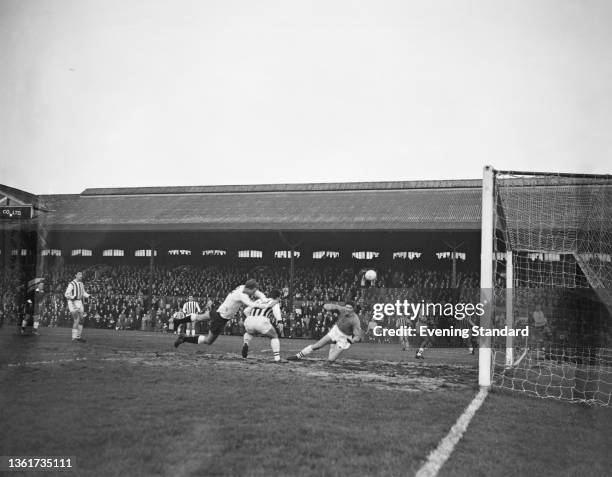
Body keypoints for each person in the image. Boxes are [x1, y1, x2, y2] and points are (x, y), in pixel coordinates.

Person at [173, 279, 275, 348]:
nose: (254, 293)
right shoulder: (242, 295)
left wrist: (264, 298)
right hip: (221, 318)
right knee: (209, 341)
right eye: (253, 291)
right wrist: (266, 305)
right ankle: (184, 338)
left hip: (219, 310)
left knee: (200, 317)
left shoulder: (242, 287)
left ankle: (178, 321)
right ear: (249, 288)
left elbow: (258, 293)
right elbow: (251, 304)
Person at [287, 302, 361, 363]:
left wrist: (352, 340)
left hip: (345, 338)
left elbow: (357, 336)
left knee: (331, 360)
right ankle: (297, 356)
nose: (347, 309)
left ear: (353, 309)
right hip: (336, 331)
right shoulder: (342, 309)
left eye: (350, 308)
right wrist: (327, 306)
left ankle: (333, 343)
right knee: (317, 345)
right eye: (346, 307)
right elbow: (334, 306)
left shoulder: (355, 320)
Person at [242, 289, 283, 362]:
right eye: (279, 297)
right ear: (277, 297)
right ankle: (277, 358)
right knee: (274, 336)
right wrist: (280, 322)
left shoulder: (258, 300)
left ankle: (246, 343)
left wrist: (251, 318)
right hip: (261, 320)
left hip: (249, 320)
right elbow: (276, 311)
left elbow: (245, 311)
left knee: (249, 333)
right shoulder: (274, 302)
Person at [64, 271, 91, 343]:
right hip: (72, 302)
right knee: (77, 319)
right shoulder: (72, 284)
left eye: (81, 274)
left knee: (82, 320)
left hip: (79, 302)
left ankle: (78, 337)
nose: (81, 275)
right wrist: (73, 297)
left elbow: (83, 293)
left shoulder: (81, 284)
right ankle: (74, 338)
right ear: (75, 275)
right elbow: (66, 294)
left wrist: (89, 296)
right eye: (79, 274)